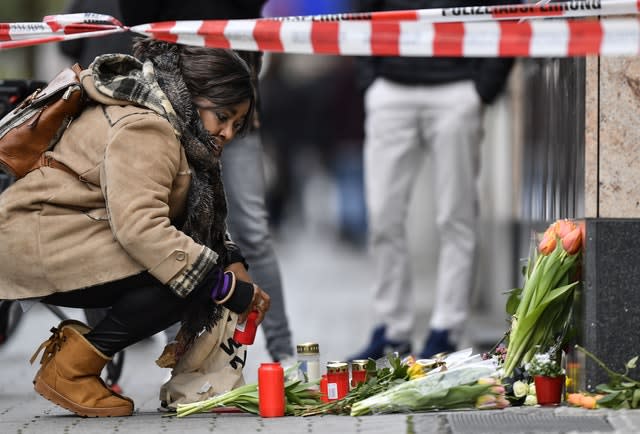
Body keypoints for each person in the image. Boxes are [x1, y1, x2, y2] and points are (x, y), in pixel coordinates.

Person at [0, 39, 271, 417]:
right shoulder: (148, 127)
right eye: (222, 116)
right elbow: (141, 228)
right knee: (188, 279)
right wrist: (222, 285)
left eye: (237, 123)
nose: (227, 132)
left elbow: (169, 214)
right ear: (193, 96)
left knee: (196, 270)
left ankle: (77, 361)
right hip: (38, 243)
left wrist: (231, 259)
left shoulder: (172, 120)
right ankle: (71, 371)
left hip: (62, 234)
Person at [119, 0, 295, 362]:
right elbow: (137, 20)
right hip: (177, 108)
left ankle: (285, 357)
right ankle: (181, 359)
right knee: (171, 230)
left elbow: (253, 18)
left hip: (235, 106)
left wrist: (246, 102)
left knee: (254, 234)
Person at [350, 0, 514, 361]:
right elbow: (359, 10)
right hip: (391, 87)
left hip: (458, 88)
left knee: (456, 217)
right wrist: (370, 80)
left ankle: (447, 330)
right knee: (382, 218)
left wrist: (484, 86)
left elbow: (508, 11)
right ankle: (392, 330)